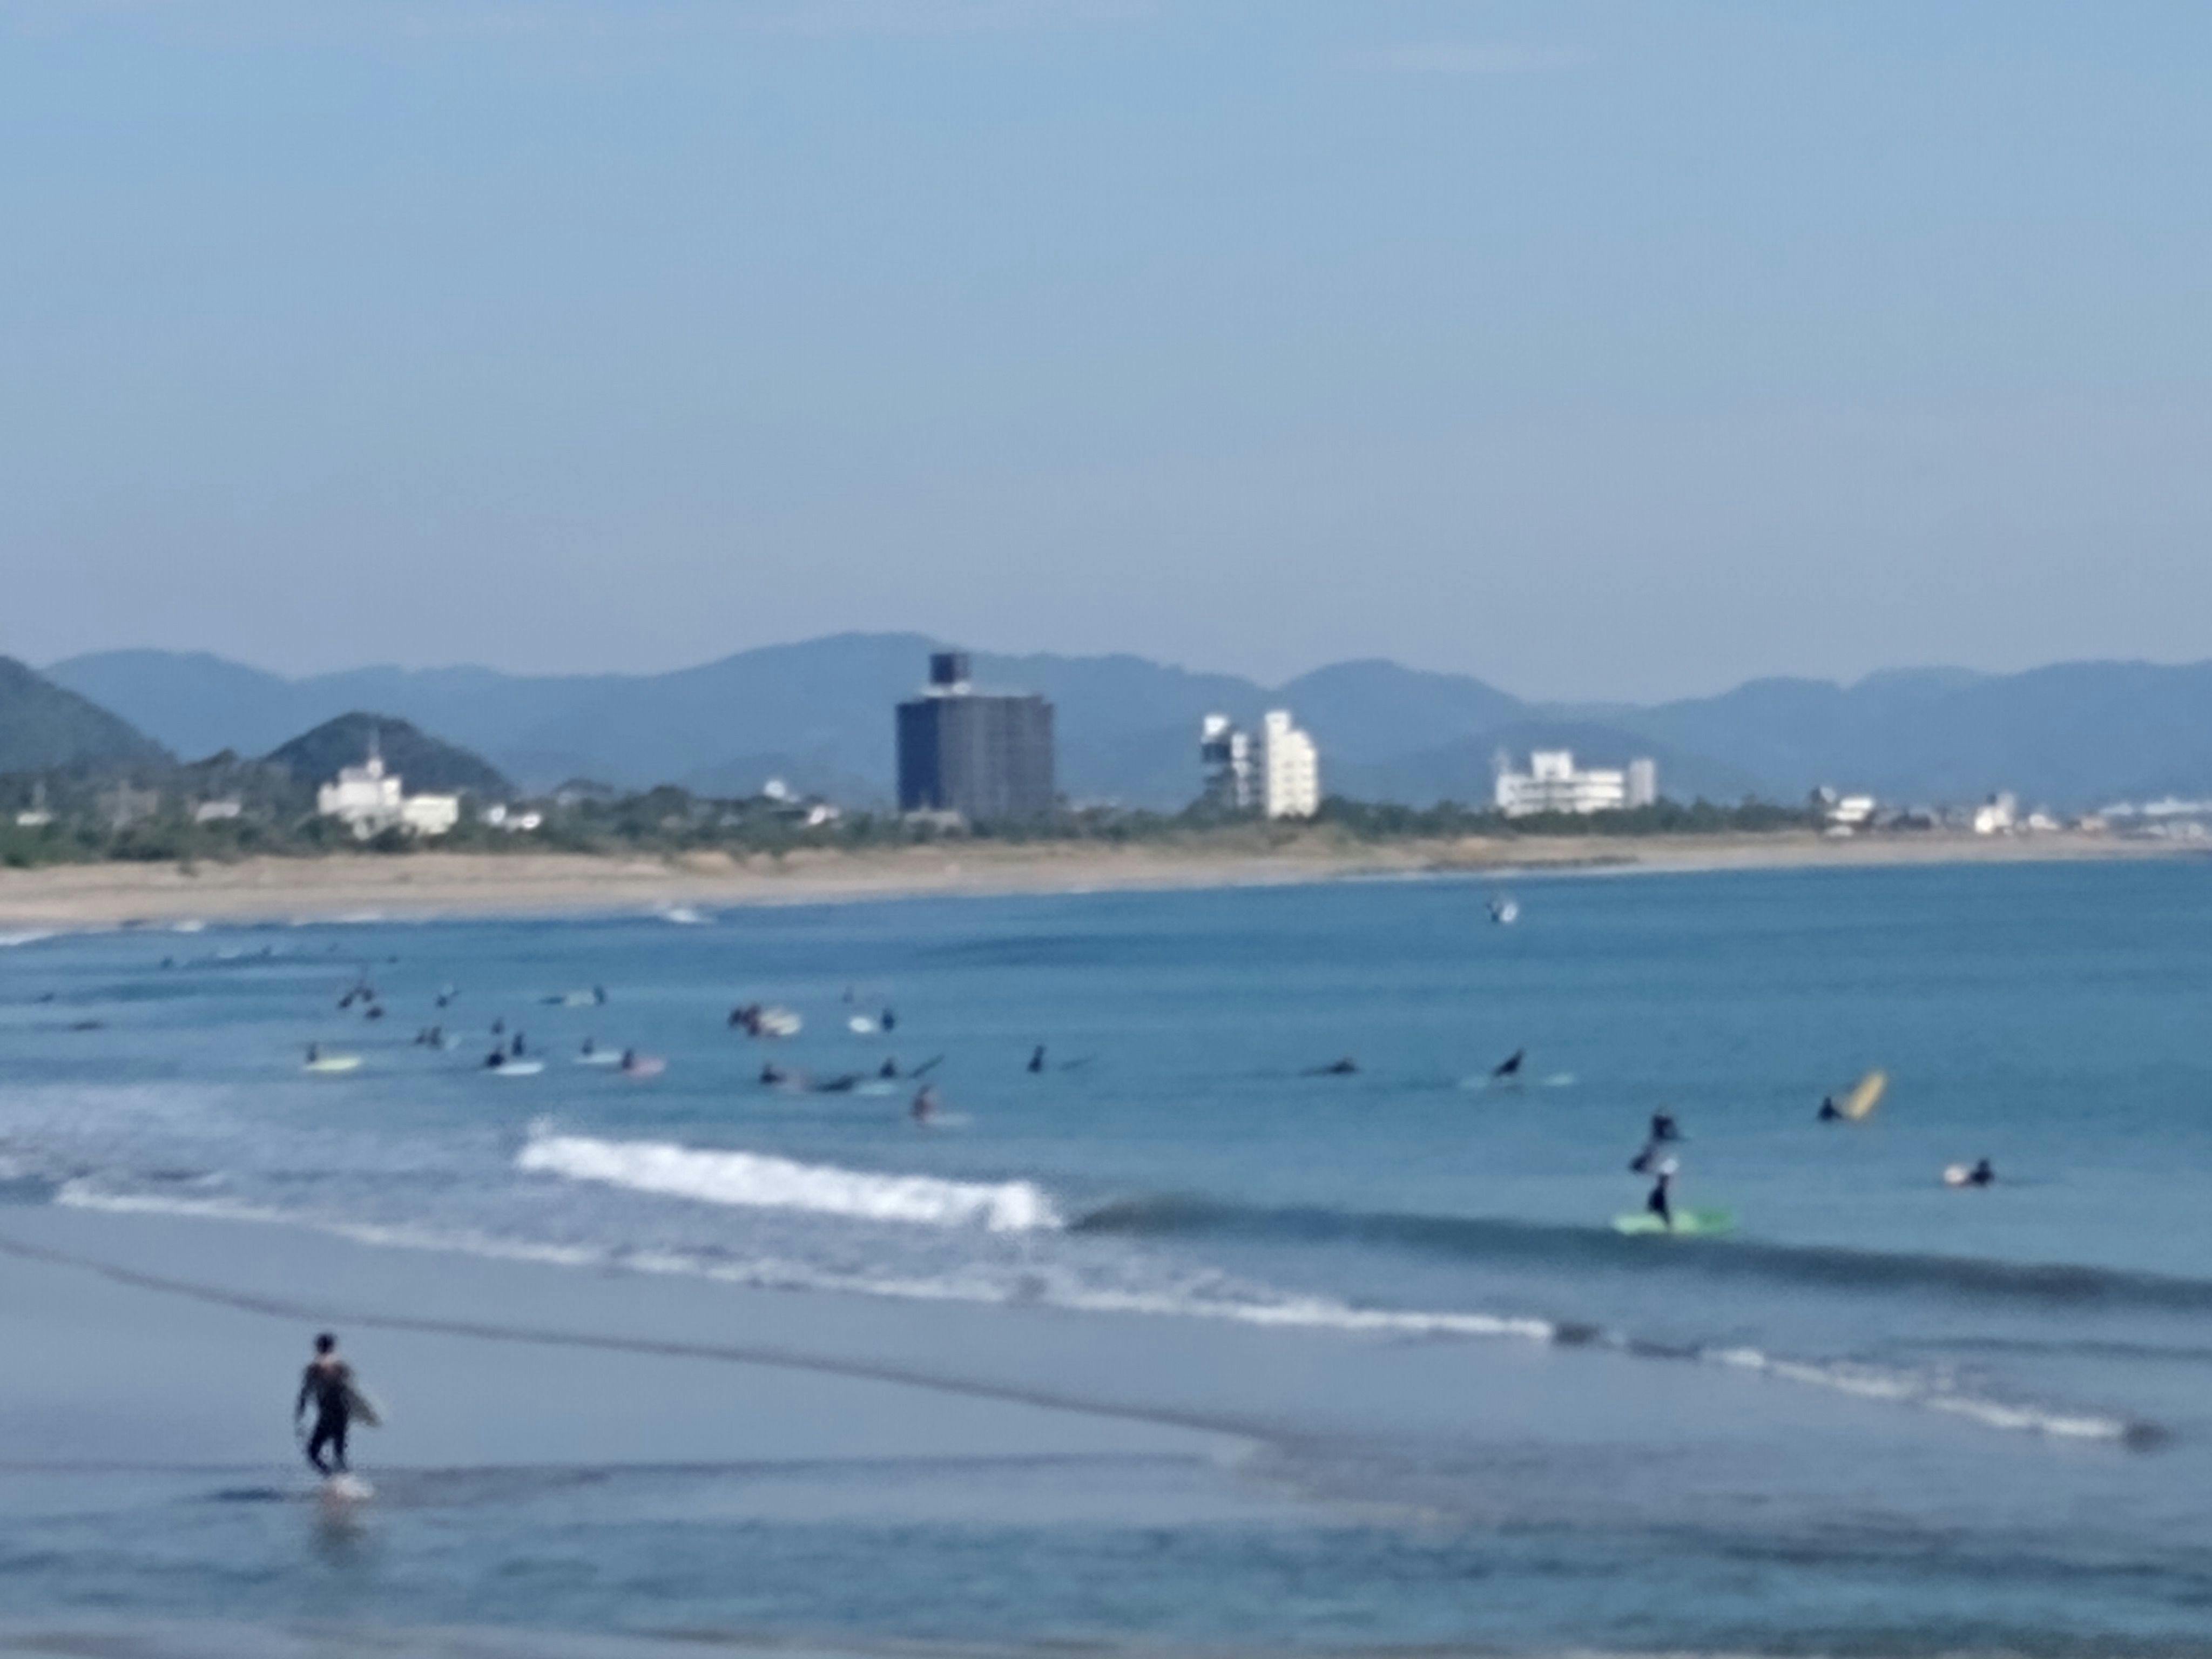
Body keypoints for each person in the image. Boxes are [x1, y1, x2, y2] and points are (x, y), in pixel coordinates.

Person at [294, 1332, 358, 1476]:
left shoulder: (313, 1369)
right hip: (343, 1413)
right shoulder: (342, 1367)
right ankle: (343, 1481)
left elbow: (306, 1392)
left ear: (317, 1347)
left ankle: (332, 1477)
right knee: (339, 1454)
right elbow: (353, 1392)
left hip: (327, 1415)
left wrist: (300, 1411)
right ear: (333, 1347)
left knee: (313, 1453)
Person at [1645, 1163, 1676, 1231]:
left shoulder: (1660, 1190)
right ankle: (1669, 1229)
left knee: (1668, 1220)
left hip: (1658, 1208)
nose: (1668, 1183)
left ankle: (1669, 1228)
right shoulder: (1659, 1190)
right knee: (1668, 1220)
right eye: (1667, 1181)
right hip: (1658, 1208)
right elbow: (1657, 1201)